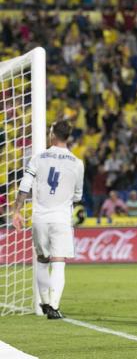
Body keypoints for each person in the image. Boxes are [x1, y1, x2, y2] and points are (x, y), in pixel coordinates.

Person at [12, 120, 84, 319]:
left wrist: (16, 211)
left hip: (40, 218)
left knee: (43, 260)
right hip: (61, 218)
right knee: (59, 262)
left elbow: (25, 186)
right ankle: (53, 305)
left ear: (52, 134)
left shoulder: (38, 158)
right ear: (68, 136)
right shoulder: (77, 163)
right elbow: (78, 196)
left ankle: (44, 301)